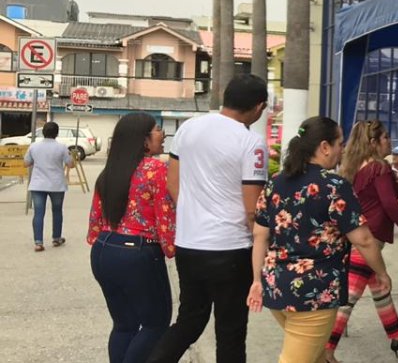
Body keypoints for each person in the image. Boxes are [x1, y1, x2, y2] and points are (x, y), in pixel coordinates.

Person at [247, 116, 395, 363]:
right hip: (314, 293)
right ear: (324, 147)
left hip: (276, 288)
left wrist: (256, 280)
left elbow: (259, 235)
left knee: (315, 355)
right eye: (339, 142)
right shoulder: (334, 185)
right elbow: (365, 239)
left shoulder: (275, 183)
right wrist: (382, 273)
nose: (343, 148)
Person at [149, 74, 269, 363]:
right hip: (231, 248)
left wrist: (195, 212)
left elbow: (172, 184)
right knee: (230, 332)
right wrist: (261, 246)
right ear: (258, 106)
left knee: (189, 320)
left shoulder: (188, 129)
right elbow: (252, 209)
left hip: (189, 245)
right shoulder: (252, 142)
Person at [326, 120, 398, 361]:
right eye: (385, 138)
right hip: (368, 239)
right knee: (349, 298)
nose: (389, 142)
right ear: (373, 143)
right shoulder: (379, 168)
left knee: (381, 288)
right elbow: (391, 204)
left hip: (357, 235)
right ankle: (326, 350)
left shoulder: (353, 166)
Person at [87, 113, 176, 363]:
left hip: (103, 250)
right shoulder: (156, 169)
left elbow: (95, 220)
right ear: (144, 140)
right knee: (155, 324)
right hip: (138, 254)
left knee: (124, 325)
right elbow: (165, 217)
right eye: (157, 129)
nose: (163, 134)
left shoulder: (109, 172)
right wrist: (173, 248)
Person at [25, 120, 73, 251]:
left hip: (37, 184)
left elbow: (26, 162)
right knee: (57, 211)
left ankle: (38, 242)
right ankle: (56, 238)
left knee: (38, 213)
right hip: (56, 185)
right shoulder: (62, 147)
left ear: (43, 132)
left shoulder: (33, 146)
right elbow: (70, 164)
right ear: (57, 133)